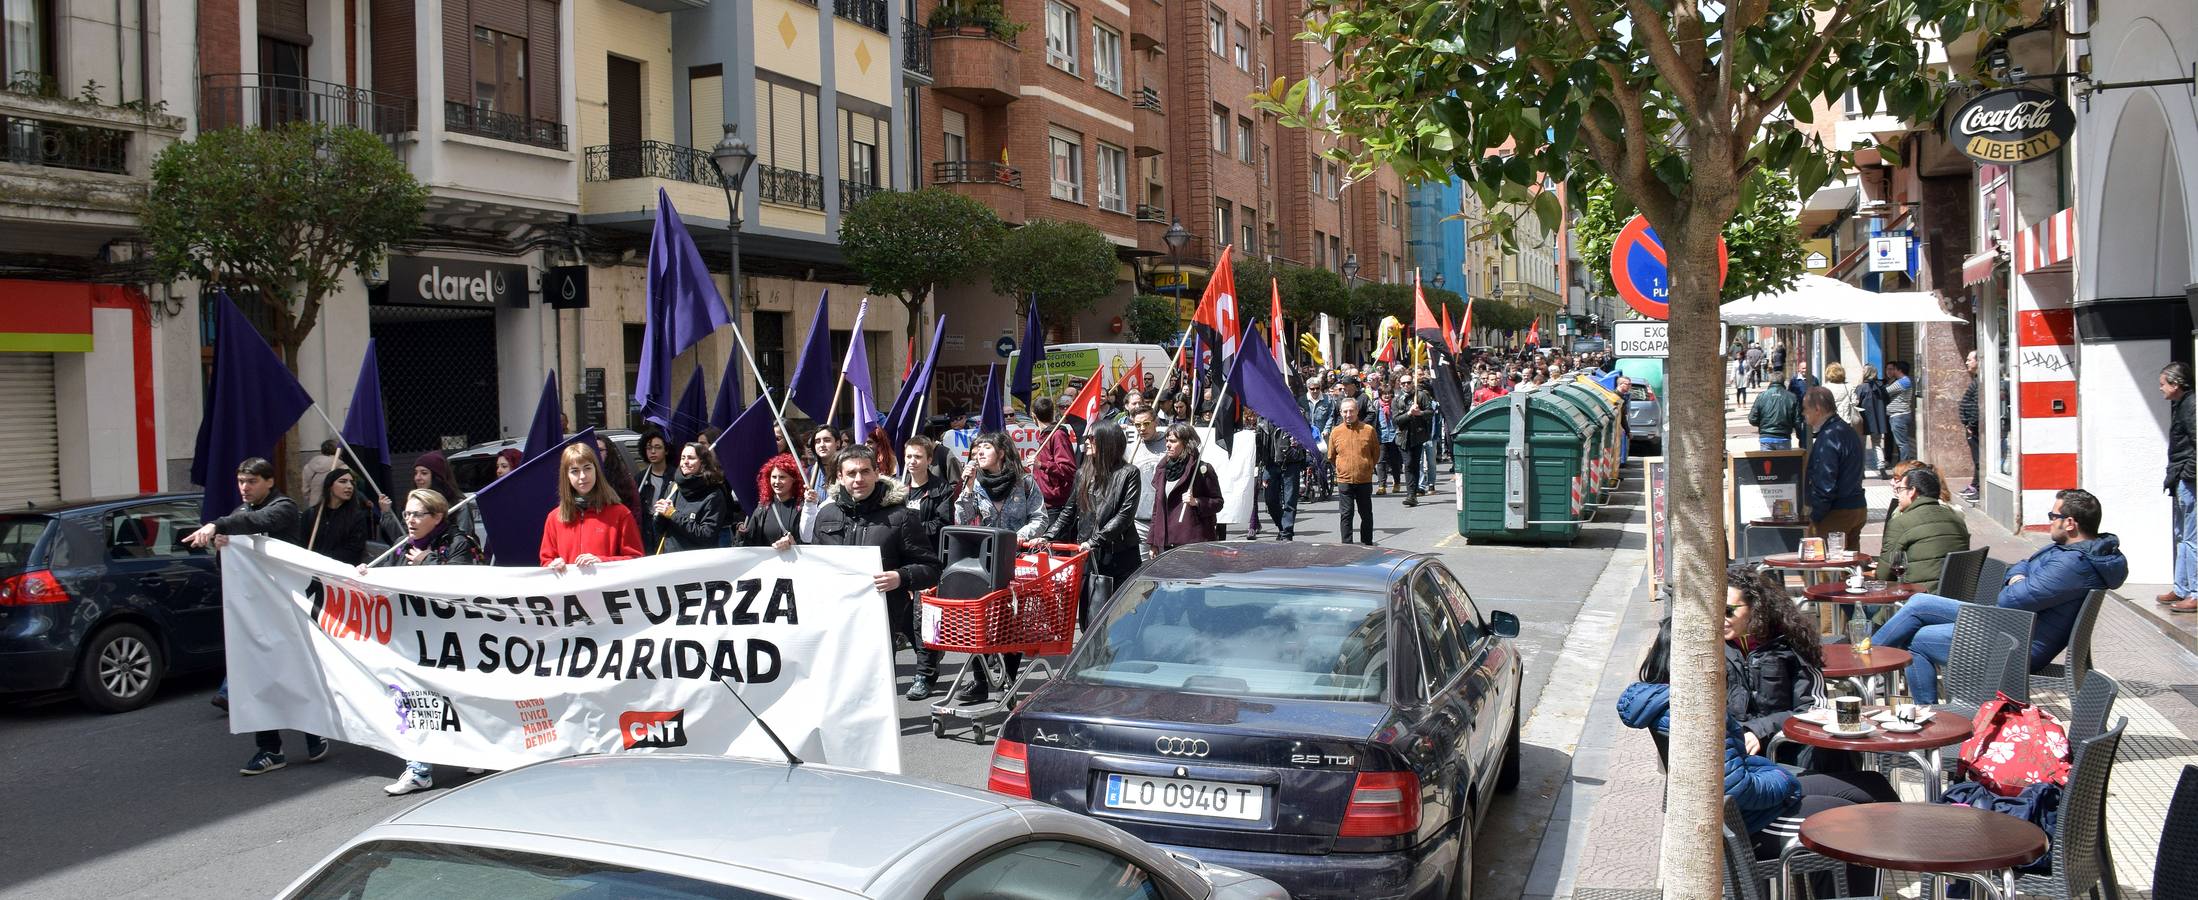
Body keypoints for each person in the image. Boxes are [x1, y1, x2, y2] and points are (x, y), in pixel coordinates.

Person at [1619, 615, 1898, 893]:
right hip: (1746, 825)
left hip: (1744, 804)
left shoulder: (1667, 698)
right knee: (1857, 823)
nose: (1726, 657)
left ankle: (1869, 877)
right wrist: (1781, 778)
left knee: (1872, 786)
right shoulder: (1697, 710)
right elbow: (1738, 789)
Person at [1870, 489, 2128, 702]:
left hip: (2017, 642)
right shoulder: (2073, 552)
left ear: (2070, 523)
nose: (2050, 520)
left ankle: (1875, 672)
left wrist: (2017, 580)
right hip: (2012, 625)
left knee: (1917, 637)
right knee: (1918, 604)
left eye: (2053, 515)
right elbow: (2021, 564)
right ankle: (1869, 664)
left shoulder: (2073, 565)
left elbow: (2009, 598)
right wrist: (2019, 577)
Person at [183, 458, 323, 774]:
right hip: (256, 613)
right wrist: (222, 548)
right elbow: (230, 568)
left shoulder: (283, 507)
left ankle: (314, 733)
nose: (245, 488)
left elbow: (261, 521)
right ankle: (269, 748)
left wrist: (217, 525)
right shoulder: (238, 514)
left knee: (296, 674)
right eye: (241, 482)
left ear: (269, 481)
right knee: (259, 676)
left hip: (288, 610)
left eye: (252, 481)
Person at [810, 445, 941, 701]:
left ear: (877, 473)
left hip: (879, 621)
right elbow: (814, 566)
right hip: (835, 619)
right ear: (840, 476)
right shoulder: (826, 515)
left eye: (865, 472)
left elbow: (931, 569)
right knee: (836, 690)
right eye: (851, 473)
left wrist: (900, 577)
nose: (858, 479)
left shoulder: (901, 516)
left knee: (875, 694)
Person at [378, 487, 484, 795]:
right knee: (414, 700)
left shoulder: (459, 543)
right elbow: (381, 581)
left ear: (437, 517)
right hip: (414, 640)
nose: (410, 520)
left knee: (462, 698)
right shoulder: (401, 548)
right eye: (407, 514)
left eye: (417, 514)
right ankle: (419, 769)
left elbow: (463, 582)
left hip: (455, 638)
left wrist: (427, 563)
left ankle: (479, 751)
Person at [1722, 562, 1829, 764]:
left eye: (1728, 610)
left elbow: (1814, 709)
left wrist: (1759, 730)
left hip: (1786, 751)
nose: (1720, 618)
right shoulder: (1708, 648)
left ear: (1755, 607)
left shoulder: (1790, 641)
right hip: (1732, 754)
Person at [1045, 422, 1142, 626]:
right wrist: (1047, 536)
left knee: (1121, 616)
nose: (1086, 442)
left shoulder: (1129, 473)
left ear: (1107, 442)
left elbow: (1124, 516)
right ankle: (1094, 654)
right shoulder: (1083, 473)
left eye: (1091, 438)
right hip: (1089, 556)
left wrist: (1095, 541)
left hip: (1119, 554)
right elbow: (1069, 511)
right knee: (1090, 616)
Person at [540, 442, 644, 572]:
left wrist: (602, 562)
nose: (582, 476)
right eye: (575, 471)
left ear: (596, 470)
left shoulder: (621, 514)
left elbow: (636, 560)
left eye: (587, 468)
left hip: (608, 591)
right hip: (571, 591)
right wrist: (553, 564)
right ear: (566, 476)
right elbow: (546, 562)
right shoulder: (554, 518)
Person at [1876, 466, 1969, 593]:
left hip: (1914, 600)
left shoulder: (1901, 523)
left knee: (1849, 598)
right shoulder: (1957, 520)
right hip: (1956, 599)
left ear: (1912, 491)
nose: (1898, 494)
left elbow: (1883, 576)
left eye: (1900, 489)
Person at [1800, 387, 1866, 551]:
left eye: (1805, 409)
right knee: (1847, 566)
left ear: (1817, 409)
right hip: (1855, 506)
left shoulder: (1829, 436)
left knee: (1826, 567)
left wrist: (1815, 516)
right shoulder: (1846, 430)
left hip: (1837, 511)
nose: (1803, 413)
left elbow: (1825, 482)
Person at [1149, 422, 1222, 552]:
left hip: (1192, 543)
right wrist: (1154, 542)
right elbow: (1157, 509)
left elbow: (1218, 502)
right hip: (1166, 543)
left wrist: (1197, 502)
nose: (1167, 444)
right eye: (1167, 440)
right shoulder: (1163, 469)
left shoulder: (1201, 469)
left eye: (1173, 441)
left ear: (1186, 443)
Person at [2163, 362, 2198, 613]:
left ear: (2176, 384)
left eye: (2163, 384)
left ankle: (2194, 592)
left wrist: (2188, 475)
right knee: (2181, 535)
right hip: (2179, 479)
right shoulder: (2182, 405)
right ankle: (2182, 587)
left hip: (2187, 480)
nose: (2161, 389)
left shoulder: (2192, 406)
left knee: (2191, 538)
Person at [652, 441, 727, 553]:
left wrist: (673, 514)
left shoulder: (713, 494)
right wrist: (660, 515)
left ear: (702, 462)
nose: (685, 462)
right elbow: (660, 530)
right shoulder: (674, 487)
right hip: (670, 558)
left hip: (697, 562)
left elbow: (707, 535)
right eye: (683, 458)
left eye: (691, 458)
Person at [1328, 397, 1379, 545]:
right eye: (1345, 411)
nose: (1348, 414)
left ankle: (1367, 544)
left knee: (1366, 515)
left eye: (1351, 411)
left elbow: (1375, 453)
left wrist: (1367, 466)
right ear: (1341, 413)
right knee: (1346, 514)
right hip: (1344, 480)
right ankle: (1347, 545)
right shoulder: (1336, 432)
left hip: (1364, 480)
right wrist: (1342, 468)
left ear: (1357, 411)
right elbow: (1331, 455)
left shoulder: (1368, 430)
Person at [298, 469, 373, 566]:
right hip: (313, 574)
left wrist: (322, 560)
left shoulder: (357, 517)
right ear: (330, 486)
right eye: (343, 481)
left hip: (341, 575)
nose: (349, 486)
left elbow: (354, 551)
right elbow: (302, 546)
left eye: (352, 483)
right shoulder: (310, 515)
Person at [1255, 414, 1309, 541]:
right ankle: (1282, 527)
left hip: (1291, 463)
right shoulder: (1263, 416)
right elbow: (1259, 439)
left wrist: (1297, 448)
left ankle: (1287, 534)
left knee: (1290, 501)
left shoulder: (1296, 412)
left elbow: (1306, 433)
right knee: (1270, 500)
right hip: (1270, 464)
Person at [1125, 406, 1169, 552]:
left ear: (1156, 422)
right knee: (1143, 568)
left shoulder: (1169, 444)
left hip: (1166, 517)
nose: (1142, 428)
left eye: (1146, 424)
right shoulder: (1130, 449)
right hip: (1140, 519)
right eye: (1137, 425)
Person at [408, 451, 478, 544]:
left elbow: (462, 544)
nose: (417, 477)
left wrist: (430, 555)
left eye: (424, 473)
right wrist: (387, 513)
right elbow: (401, 537)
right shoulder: (413, 504)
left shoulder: (458, 505)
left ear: (437, 478)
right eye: (416, 473)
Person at [740, 453, 805, 550]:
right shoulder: (762, 507)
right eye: (774, 477)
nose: (777, 481)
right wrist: (740, 533)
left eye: (782, 477)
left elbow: (811, 542)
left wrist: (794, 544)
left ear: (794, 479)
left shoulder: (803, 507)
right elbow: (749, 542)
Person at [1030, 397, 1077, 513]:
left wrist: (1042, 465)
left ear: (1033, 416)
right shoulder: (1044, 436)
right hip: (1042, 503)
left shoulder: (1057, 435)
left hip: (1057, 506)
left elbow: (1069, 470)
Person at [1394, 375, 1434, 506]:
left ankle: (1413, 493)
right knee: (1408, 463)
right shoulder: (1397, 399)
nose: (1406, 385)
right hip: (1403, 437)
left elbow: (1431, 412)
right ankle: (1410, 493)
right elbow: (1396, 420)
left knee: (1415, 464)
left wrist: (1420, 413)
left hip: (1417, 436)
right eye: (1403, 383)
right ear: (1400, 384)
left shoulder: (1421, 395)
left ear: (1413, 383)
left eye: (1409, 382)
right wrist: (1409, 414)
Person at [633, 427, 674, 553]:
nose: (653, 451)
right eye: (649, 448)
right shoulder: (640, 478)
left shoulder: (676, 476)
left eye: (658, 447)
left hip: (667, 534)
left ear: (666, 450)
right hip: (646, 536)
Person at [594, 434, 644, 525]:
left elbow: (635, 510)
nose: (596, 454)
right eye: (593, 450)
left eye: (600, 450)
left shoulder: (623, 478)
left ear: (608, 452)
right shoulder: (586, 479)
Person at [1748, 370, 1801, 450]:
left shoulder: (1762, 396)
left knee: (1767, 461)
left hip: (1766, 436)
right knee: (1784, 462)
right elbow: (1797, 420)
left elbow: (1752, 419)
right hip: (1784, 436)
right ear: (1783, 382)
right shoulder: (1792, 397)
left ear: (1770, 381)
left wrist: (1763, 424)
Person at [1856, 364, 1893, 477]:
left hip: (1863, 420)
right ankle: (1881, 468)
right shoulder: (1881, 387)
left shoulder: (1861, 387)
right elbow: (1887, 400)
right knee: (1877, 444)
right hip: (1877, 420)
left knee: (1861, 446)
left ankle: (1861, 471)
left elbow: (1856, 403)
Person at [1960, 351, 1982, 501]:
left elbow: (1977, 406)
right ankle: (1975, 485)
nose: (1967, 362)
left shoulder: (1980, 382)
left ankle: (1978, 488)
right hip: (1972, 427)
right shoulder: (1977, 380)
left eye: (1969, 360)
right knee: (1977, 460)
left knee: (1979, 460)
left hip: (1974, 428)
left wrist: (1971, 425)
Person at [1883, 360, 1915, 464]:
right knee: (1902, 442)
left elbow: (1885, 391)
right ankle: (1903, 463)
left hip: (1899, 416)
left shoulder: (1903, 381)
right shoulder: (1903, 381)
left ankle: (1904, 465)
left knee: (1902, 443)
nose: (1893, 372)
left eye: (1895, 369)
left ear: (1899, 370)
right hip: (1900, 415)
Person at [1822, 363, 1858, 439]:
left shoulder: (1825, 387)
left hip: (1830, 421)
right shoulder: (1849, 386)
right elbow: (1855, 402)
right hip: (1845, 420)